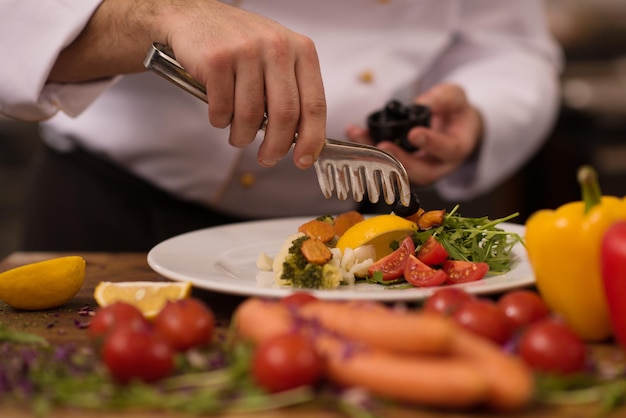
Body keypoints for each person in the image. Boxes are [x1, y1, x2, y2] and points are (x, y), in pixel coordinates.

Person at [0, 0, 561, 251]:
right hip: (114, 210)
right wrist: (157, 15)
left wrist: (482, 111)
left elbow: (508, 43)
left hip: (369, 231)